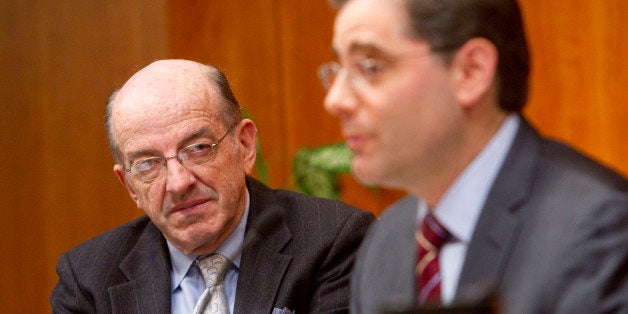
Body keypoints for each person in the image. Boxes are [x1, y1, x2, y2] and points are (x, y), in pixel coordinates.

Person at [319, 0, 628, 313]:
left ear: (471, 71)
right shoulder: (385, 241)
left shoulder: (598, 228)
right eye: (339, 70)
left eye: (370, 67)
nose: (335, 100)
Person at [51, 59, 376, 313]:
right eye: (148, 164)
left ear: (245, 145)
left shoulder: (332, 241)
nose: (178, 183)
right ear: (130, 186)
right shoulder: (88, 278)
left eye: (198, 149)